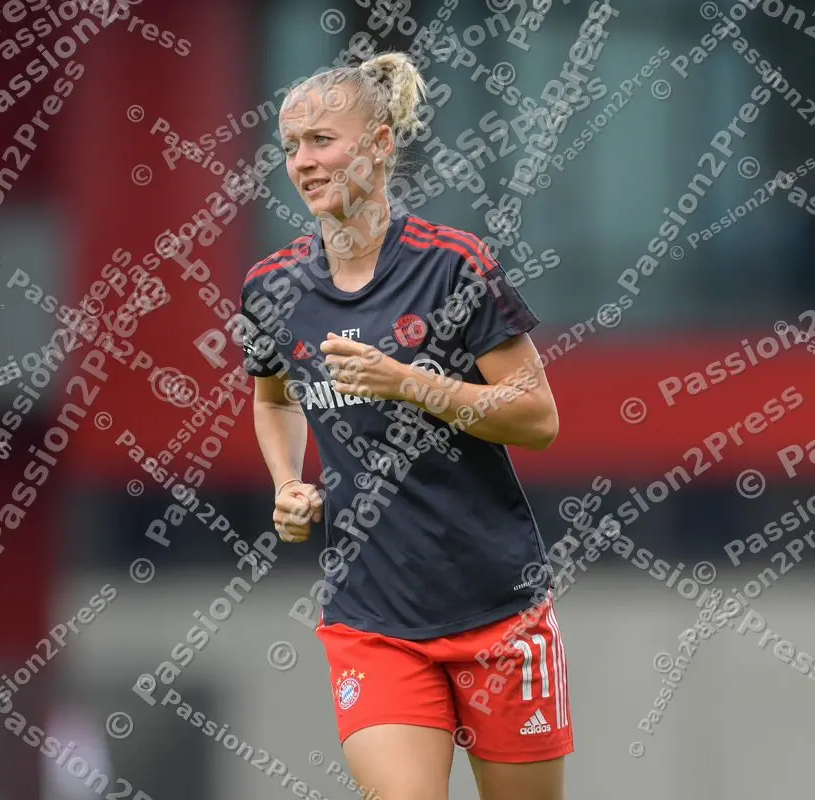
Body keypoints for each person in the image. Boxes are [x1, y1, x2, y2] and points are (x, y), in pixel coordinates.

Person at [239, 51, 570, 800]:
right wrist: (287, 482)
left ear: (381, 144)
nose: (302, 162)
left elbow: (538, 417)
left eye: (322, 140)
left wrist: (409, 383)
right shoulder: (271, 286)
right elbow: (275, 398)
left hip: (499, 610)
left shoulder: (454, 266)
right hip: (371, 618)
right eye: (290, 146)